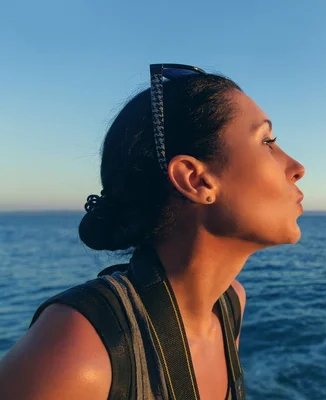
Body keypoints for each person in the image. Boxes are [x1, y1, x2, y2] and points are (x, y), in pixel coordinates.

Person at [0, 63, 306, 399]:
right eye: (267, 141)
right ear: (196, 179)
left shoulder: (229, 303)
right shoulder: (78, 349)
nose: (297, 168)